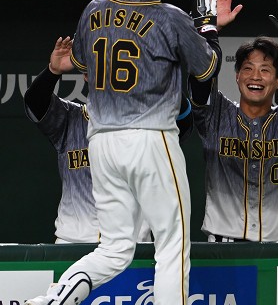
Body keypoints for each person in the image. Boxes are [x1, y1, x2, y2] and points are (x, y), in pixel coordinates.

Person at [14, 0, 220, 305]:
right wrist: (207, 29)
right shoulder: (169, 16)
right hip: (151, 137)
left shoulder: (93, 10)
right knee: (173, 247)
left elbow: (86, 66)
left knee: (114, 249)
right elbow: (205, 72)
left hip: (101, 140)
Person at [25, 37, 194, 244]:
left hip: (132, 245)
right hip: (74, 243)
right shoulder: (70, 118)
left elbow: (184, 118)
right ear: (86, 74)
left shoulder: (147, 119)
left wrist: (155, 71)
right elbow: (34, 103)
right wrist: (53, 71)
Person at [189, 0, 278, 242]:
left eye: (265, 70)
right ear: (237, 75)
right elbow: (200, 76)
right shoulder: (216, 114)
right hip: (223, 247)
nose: (255, 77)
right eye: (248, 68)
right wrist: (209, 32)